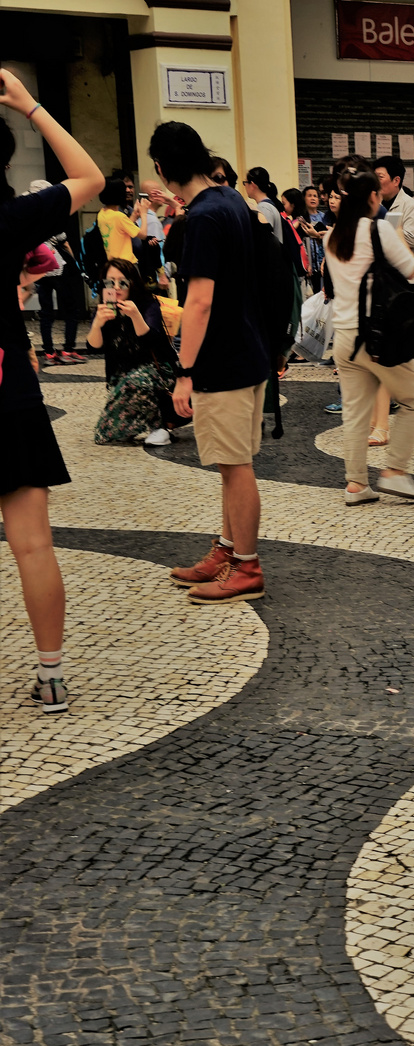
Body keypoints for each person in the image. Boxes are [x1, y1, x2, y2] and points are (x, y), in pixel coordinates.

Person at [0, 70, 105, 714]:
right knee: (34, 542)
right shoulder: (12, 217)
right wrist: (30, 104)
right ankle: (53, 676)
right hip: (8, 388)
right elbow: (89, 177)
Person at [152, 121, 272, 605]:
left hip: (222, 360)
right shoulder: (230, 201)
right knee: (231, 464)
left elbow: (198, 301)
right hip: (247, 349)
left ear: (162, 167)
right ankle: (226, 550)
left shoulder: (203, 217)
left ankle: (246, 566)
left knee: (235, 465)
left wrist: (184, 372)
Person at [324, 168, 414, 505]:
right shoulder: (378, 229)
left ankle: (356, 484)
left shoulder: (331, 236)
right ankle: (395, 471)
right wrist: (394, 235)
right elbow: (412, 269)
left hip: (343, 337)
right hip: (377, 335)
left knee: (355, 412)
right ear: (371, 197)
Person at [87, 258, 179, 446]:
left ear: (132, 282)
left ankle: (159, 427)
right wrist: (97, 324)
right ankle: (136, 424)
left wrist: (136, 316)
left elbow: (153, 339)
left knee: (136, 382)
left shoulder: (147, 304)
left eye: (122, 282)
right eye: (109, 282)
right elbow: (94, 347)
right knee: (104, 434)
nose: (116, 287)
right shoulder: (105, 309)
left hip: (157, 370)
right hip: (121, 375)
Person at [28, 179, 85, 364]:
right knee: (71, 309)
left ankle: (49, 353)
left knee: (46, 312)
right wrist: (76, 263)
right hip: (59, 268)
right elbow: (64, 242)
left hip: (40, 269)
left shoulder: (27, 217)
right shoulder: (53, 215)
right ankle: (68, 350)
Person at [373, 155, 414, 283]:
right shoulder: (375, 205)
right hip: (388, 280)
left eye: (380, 177)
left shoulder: (409, 204)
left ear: (396, 180)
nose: (375, 182)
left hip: (411, 282)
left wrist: (383, 232)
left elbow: (412, 238)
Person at [97, 177, 142, 264]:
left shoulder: (101, 214)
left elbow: (120, 229)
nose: (128, 191)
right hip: (126, 264)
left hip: (111, 264)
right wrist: (143, 213)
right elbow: (143, 235)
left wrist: (133, 216)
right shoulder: (119, 216)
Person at [243, 166, 283, 242]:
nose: (245, 186)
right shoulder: (268, 205)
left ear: (252, 184)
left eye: (245, 183)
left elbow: (266, 239)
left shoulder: (264, 208)